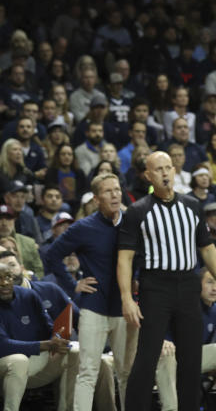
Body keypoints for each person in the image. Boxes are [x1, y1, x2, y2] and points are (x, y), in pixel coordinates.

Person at [117, 151, 216, 411]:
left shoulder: (192, 205)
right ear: (148, 175)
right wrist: (127, 298)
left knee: (191, 358)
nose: (165, 173)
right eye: (158, 169)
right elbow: (124, 259)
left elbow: (207, 249)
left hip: (188, 284)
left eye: (168, 167)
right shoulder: (138, 211)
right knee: (147, 357)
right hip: (155, 286)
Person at [41, 172, 137, 411]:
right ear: (96, 198)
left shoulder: (133, 223)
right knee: (87, 372)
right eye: (108, 191)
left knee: (127, 373)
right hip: (93, 308)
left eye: (117, 189)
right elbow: (51, 255)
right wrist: (72, 284)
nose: (115, 195)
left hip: (125, 309)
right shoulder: (83, 227)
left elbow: (144, 260)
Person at [156, 269, 216, 411]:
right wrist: (164, 339)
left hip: (193, 357)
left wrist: (212, 366)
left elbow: (207, 345)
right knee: (166, 354)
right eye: (209, 282)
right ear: (198, 284)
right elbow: (160, 323)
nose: (214, 289)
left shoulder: (215, 311)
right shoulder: (183, 304)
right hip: (172, 355)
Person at [0, 263, 71, 411]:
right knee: (19, 360)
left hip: (33, 361)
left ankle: (66, 408)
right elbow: (3, 345)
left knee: (73, 351)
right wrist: (46, 345)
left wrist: (58, 337)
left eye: (8, 277)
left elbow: (49, 327)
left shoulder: (28, 295)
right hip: (7, 364)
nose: (4, 283)